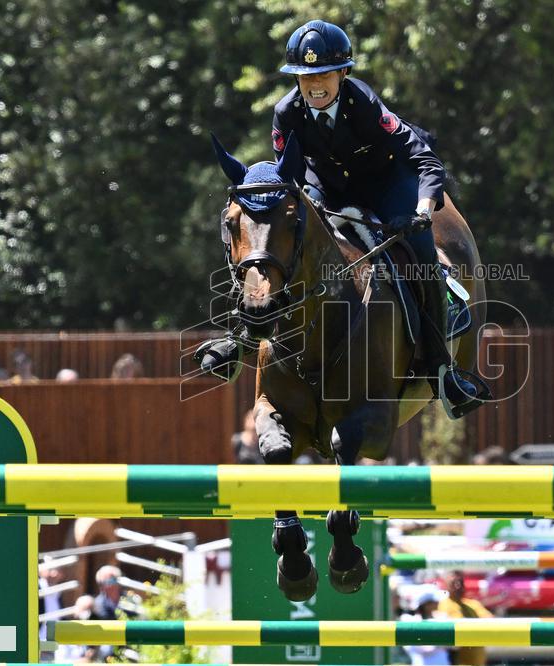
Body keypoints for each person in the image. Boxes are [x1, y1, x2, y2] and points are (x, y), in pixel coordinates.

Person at [198, 19, 480, 418]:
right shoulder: (286, 113)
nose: (315, 84)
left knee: (420, 252)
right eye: (305, 76)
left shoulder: (363, 103)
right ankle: (243, 336)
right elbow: (288, 177)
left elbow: (423, 157)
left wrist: (422, 209)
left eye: (324, 74)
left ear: (343, 73)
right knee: (277, 241)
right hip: (326, 188)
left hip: (385, 185)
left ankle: (441, 371)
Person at [436, 570, 492, 666]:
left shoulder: (473, 604)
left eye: (461, 583)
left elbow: (490, 621)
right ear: (446, 586)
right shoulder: (444, 605)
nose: (458, 586)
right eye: (454, 583)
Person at [403, 586, 451, 666]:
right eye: (434, 601)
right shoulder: (411, 621)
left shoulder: (442, 618)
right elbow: (415, 648)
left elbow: (454, 646)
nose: (438, 603)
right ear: (426, 604)